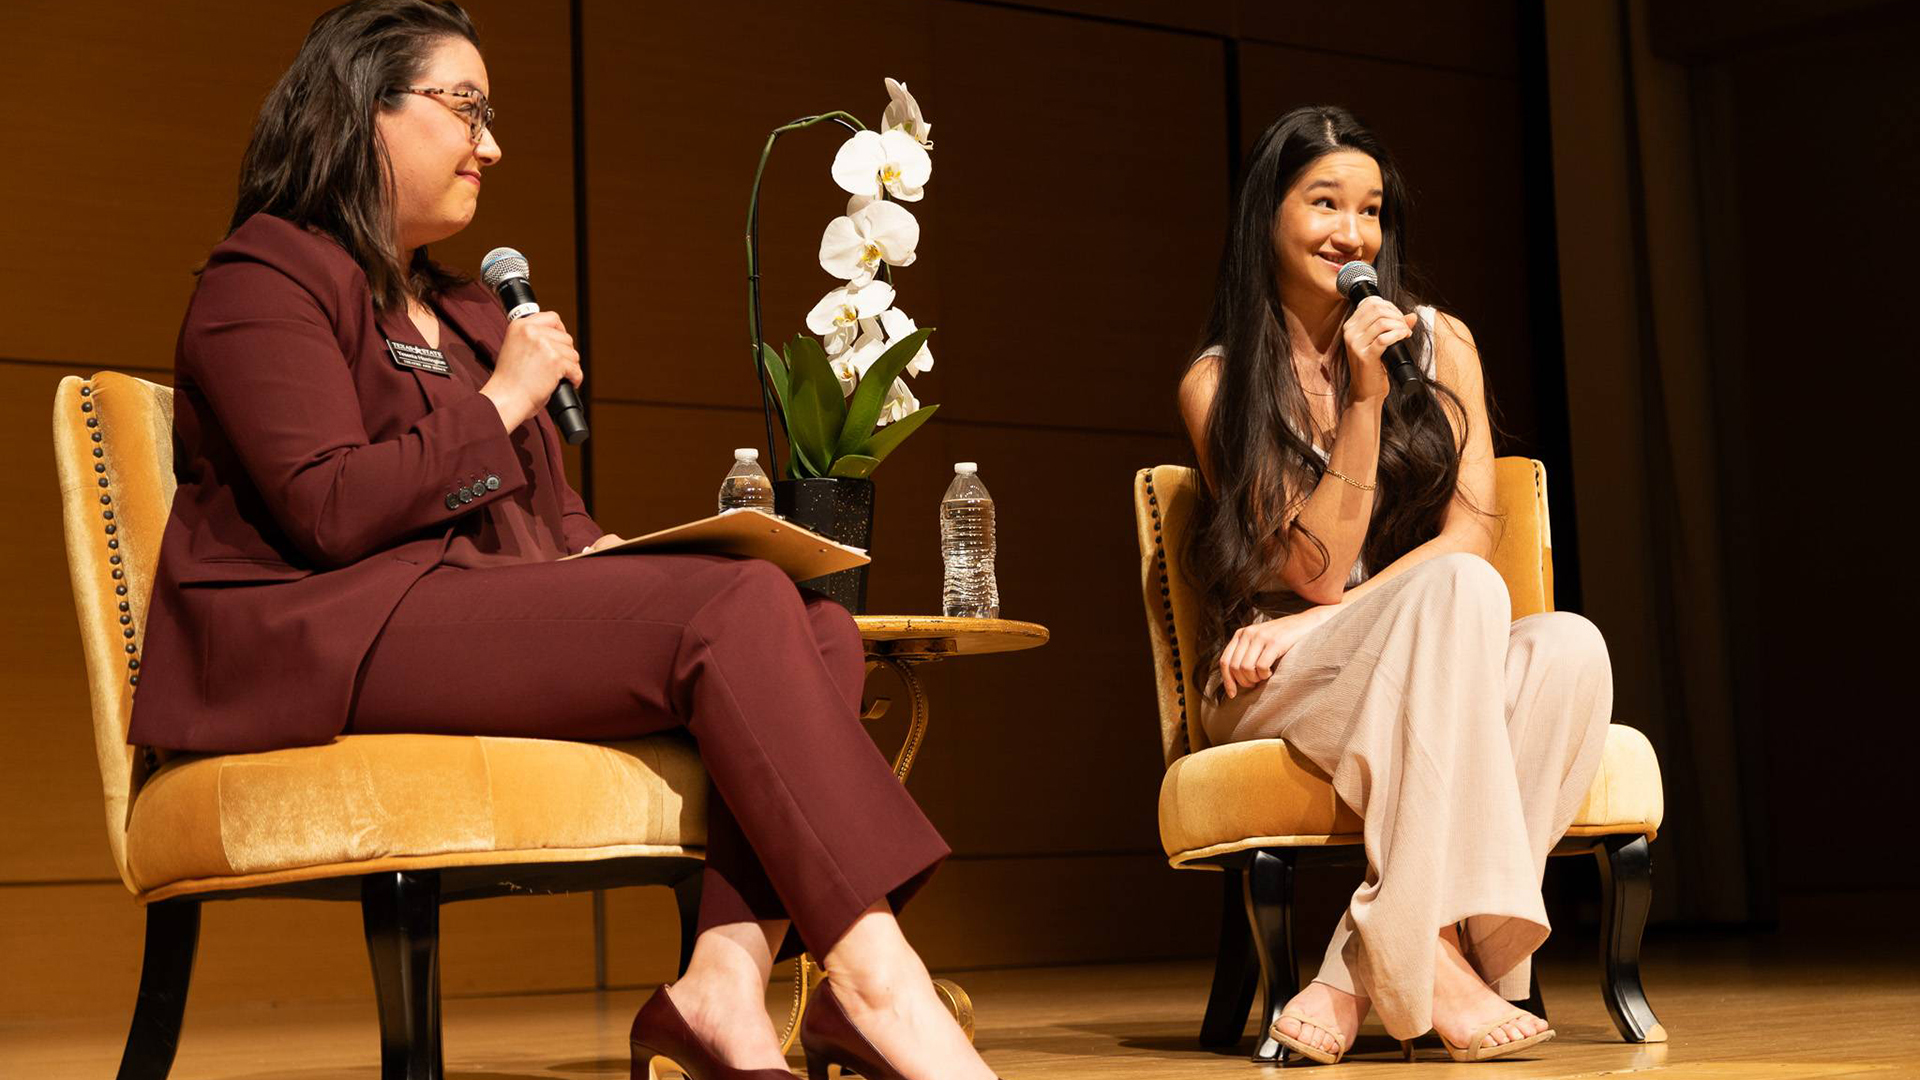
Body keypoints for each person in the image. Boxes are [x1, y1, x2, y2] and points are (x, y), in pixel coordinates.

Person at [129, 4, 998, 1078]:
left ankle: (722, 989)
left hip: (451, 608)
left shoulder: (467, 312)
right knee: (731, 611)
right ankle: (879, 987)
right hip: (322, 632)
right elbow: (326, 508)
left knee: (810, 617)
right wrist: (498, 404)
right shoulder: (263, 278)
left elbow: (545, 517)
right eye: (465, 109)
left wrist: (610, 556)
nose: (490, 144)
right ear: (363, 110)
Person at [1177, 105, 1611, 1065]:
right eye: (1325, 202)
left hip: (1386, 648)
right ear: (1268, 216)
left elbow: (1473, 540)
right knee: (1456, 602)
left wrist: (1339, 618)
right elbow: (1317, 573)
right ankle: (1437, 961)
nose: (1353, 233)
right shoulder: (1220, 383)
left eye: (1371, 210)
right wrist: (1365, 400)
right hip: (1271, 679)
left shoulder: (1442, 341)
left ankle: (1364, 963)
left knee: (1571, 646)